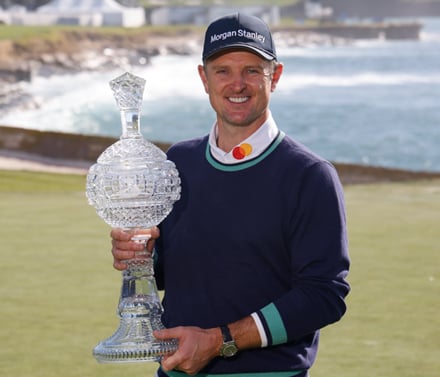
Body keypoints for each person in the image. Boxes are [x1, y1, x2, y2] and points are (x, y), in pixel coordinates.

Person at [111, 13, 350, 377]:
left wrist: (219, 340)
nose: (237, 84)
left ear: (276, 76)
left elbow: (324, 296)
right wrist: (141, 255)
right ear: (204, 78)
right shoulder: (178, 161)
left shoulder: (310, 175)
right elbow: (169, 271)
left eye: (252, 70)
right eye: (222, 70)